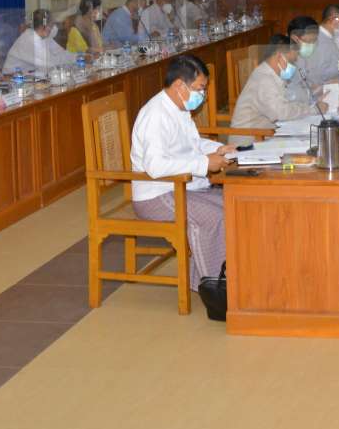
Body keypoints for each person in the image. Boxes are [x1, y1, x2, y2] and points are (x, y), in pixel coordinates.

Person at [129, 53, 233, 293]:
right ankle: (214, 288)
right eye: (200, 89)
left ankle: (224, 275)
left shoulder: (178, 107)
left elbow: (192, 144)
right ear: (179, 86)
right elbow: (156, 166)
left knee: (232, 204)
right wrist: (203, 164)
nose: (203, 95)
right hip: (156, 195)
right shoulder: (156, 115)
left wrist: (218, 148)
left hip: (181, 187)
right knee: (213, 217)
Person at [228, 36, 318, 145]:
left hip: (264, 134)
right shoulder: (264, 79)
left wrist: (309, 104)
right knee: (308, 143)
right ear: (279, 56)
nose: (293, 66)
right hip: (248, 142)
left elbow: (286, 103)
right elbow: (280, 113)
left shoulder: (272, 74)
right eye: (291, 62)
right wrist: (312, 110)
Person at [5, 9, 77, 73]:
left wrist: (78, 57)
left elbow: (60, 53)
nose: (54, 28)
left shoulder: (44, 36)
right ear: (44, 27)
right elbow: (49, 65)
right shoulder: (30, 40)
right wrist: (71, 63)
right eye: (51, 25)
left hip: (28, 75)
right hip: (11, 78)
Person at [301, 5, 339, 88]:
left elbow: (334, 63)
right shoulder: (318, 39)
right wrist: (330, 82)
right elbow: (314, 73)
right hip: (323, 89)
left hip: (332, 85)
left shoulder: (329, 38)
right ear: (332, 19)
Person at [284, 15, 322, 106]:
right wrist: (310, 93)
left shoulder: (301, 55)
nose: (312, 45)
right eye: (309, 41)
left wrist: (316, 88)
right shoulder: (283, 61)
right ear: (295, 38)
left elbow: (306, 80)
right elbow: (287, 95)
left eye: (314, 41)